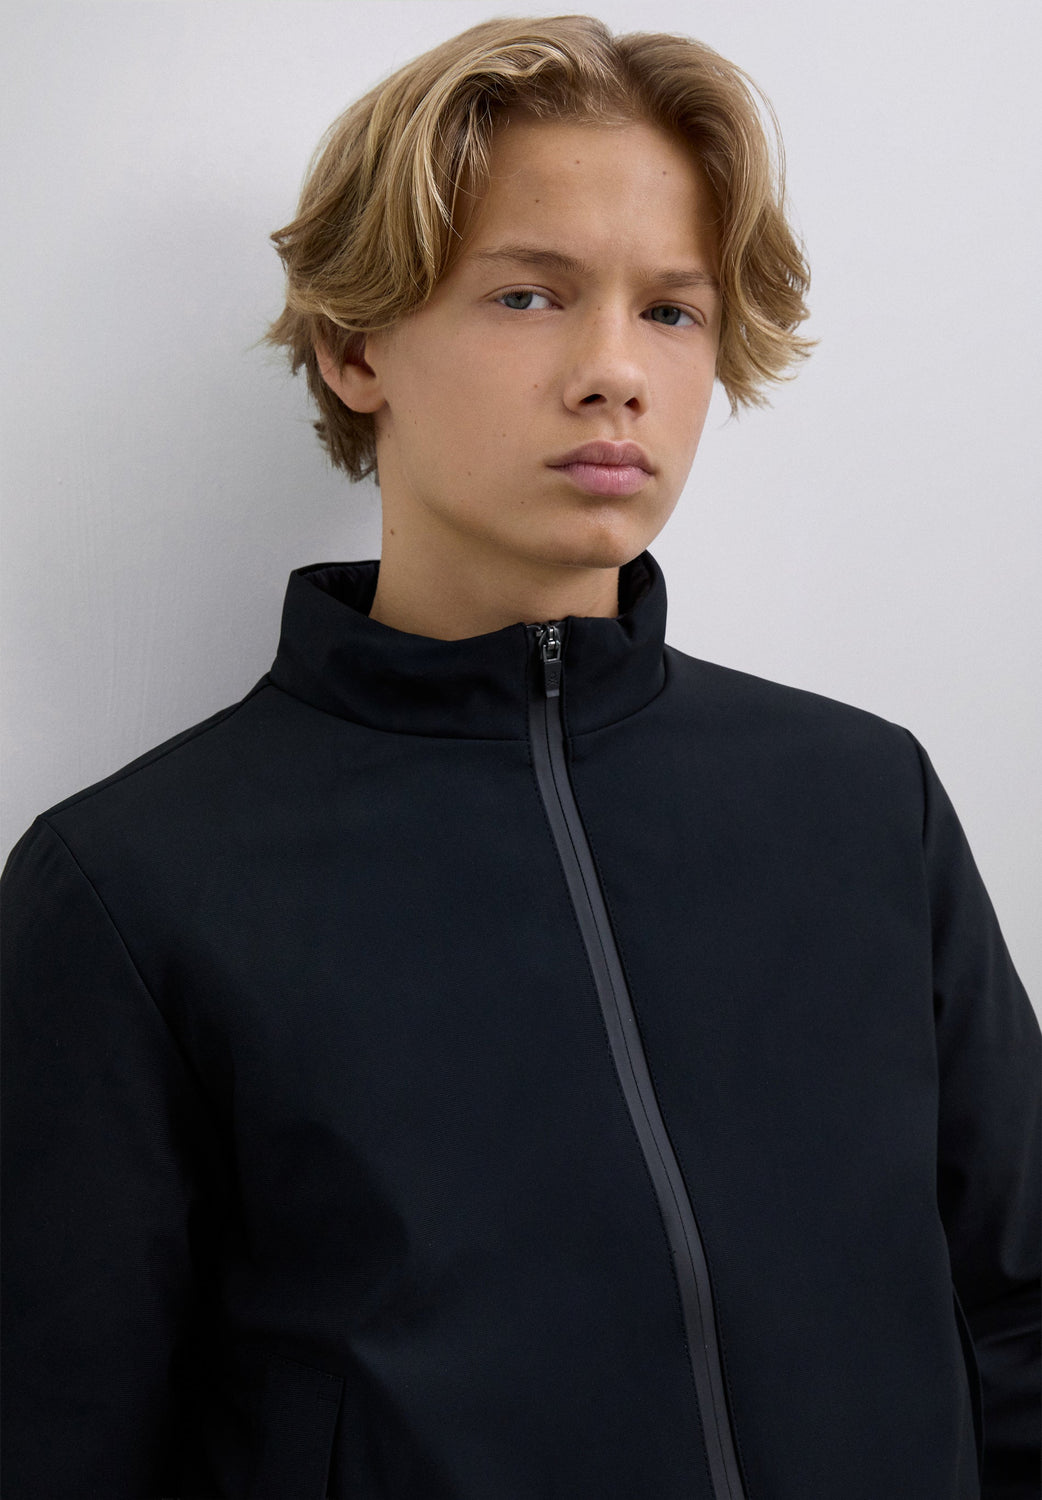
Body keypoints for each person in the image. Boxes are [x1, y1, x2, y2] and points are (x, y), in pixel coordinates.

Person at [2, 14, 1038, 1499]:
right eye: (530, 294)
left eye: (670, 311)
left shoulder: (866, 802)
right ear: (355, 345)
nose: (615, 372)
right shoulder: (129, 889)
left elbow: (1016, 1319)